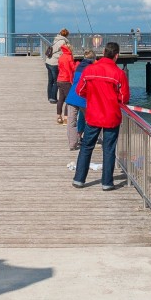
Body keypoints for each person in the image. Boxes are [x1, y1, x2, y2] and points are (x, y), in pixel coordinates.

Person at [72, 41, 130, 190]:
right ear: (116, 56)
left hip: (93, 115)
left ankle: (79, 179)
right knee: (109, 149)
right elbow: (124, 98)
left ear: (103, 52)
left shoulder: (90, 70)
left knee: (86, 147)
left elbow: (80, 91)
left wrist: (92, 96)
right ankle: (107, 183)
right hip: (111, 116)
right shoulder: (119, 74)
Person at [63, 50, 95, 150]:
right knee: (91, 120)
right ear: (93, 59)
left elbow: (74, 80)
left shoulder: (78, 66)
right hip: (83, 97)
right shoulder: (92, 68)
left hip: (72, 95)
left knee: (71, 122)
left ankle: (72, 144)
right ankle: (89, 140)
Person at [45, 28, 70, 103]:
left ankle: (49, 97)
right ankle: (53, 98)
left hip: (48, 61)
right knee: (56, 81)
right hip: (54, 63)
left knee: (50, 81)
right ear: (66, 35)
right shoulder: (63, 42)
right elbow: (64, 52)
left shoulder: (56, 39)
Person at [55, 42, 75, 124]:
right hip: (66, 80)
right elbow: (73, 68)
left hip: (60, 79)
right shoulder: (69, 57)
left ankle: (59, 116)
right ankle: (66, 118)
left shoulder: (61, 56)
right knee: (68, 100)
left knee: (61, 99)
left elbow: (59, 67)